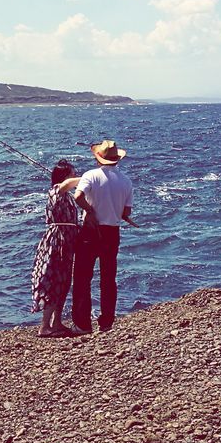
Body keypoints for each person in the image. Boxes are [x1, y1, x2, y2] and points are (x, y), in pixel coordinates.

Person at [71, 139, 137, 333]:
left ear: (98, 158)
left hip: (90, 231)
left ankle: (83, 324)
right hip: (112, 232)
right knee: (108, 278)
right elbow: (127, 212)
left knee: (83, 277)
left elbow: (77, 197)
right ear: (117, 160)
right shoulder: (126, 181)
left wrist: (90, 211)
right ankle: (106, 322)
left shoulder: (90, 175)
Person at [30, 159, 81, 338]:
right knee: (53, 281)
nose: (75, 176)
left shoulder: (67, 196)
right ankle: (45, 326)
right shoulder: (56, 191)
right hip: (57, 242)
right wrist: (88, 178)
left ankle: (56, 323)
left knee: (64, 281)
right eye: (72, 174)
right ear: (65, 177)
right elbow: (65, 184)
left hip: (67, 242)